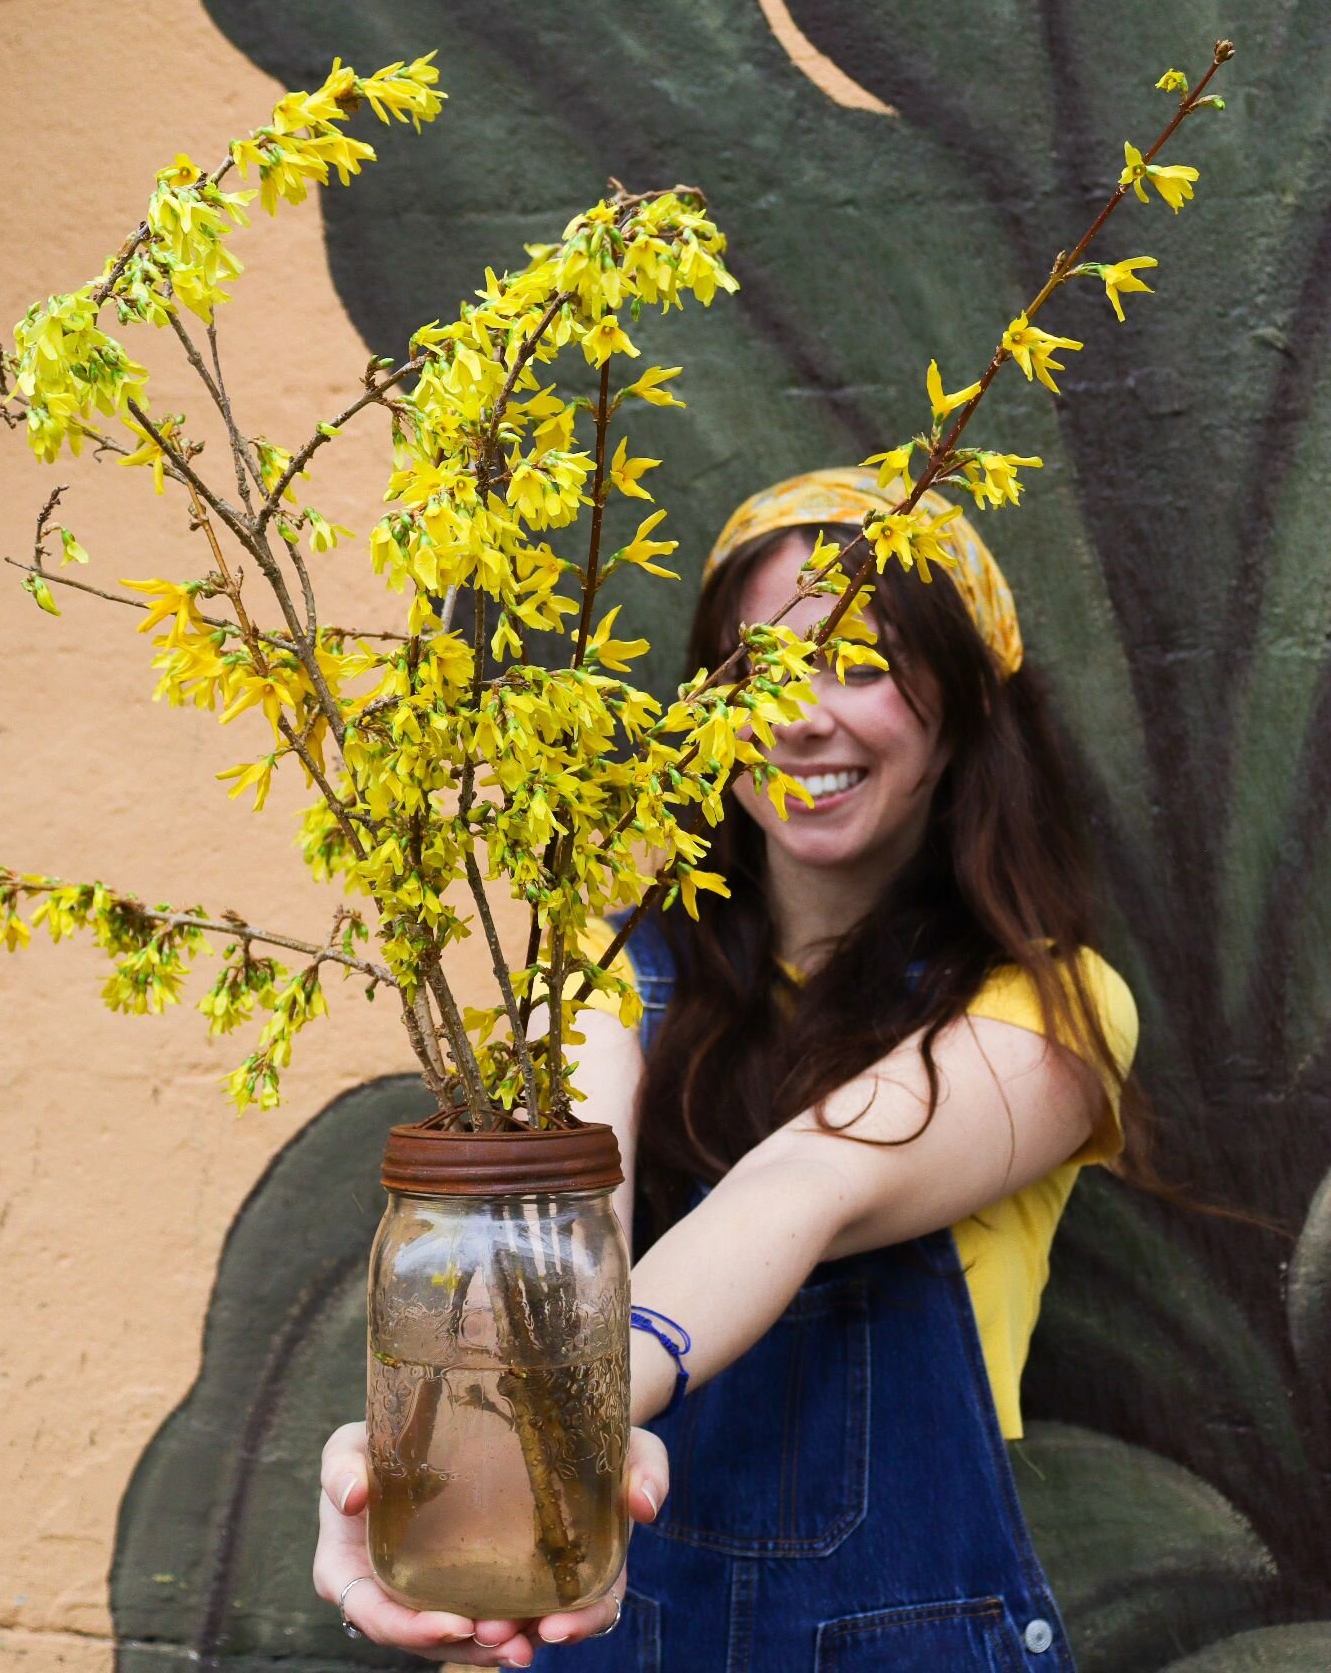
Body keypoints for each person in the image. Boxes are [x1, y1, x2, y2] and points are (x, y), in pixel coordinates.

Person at [314, 467, 1138, 1669]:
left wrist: (567, 1419)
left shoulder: (1054, 1012)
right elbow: (556, 1219)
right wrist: (426, 1469)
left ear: (963, 707)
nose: (803, 718)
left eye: (861, 665)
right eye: (763, 672)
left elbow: (802, 1185)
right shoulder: (603, 974)